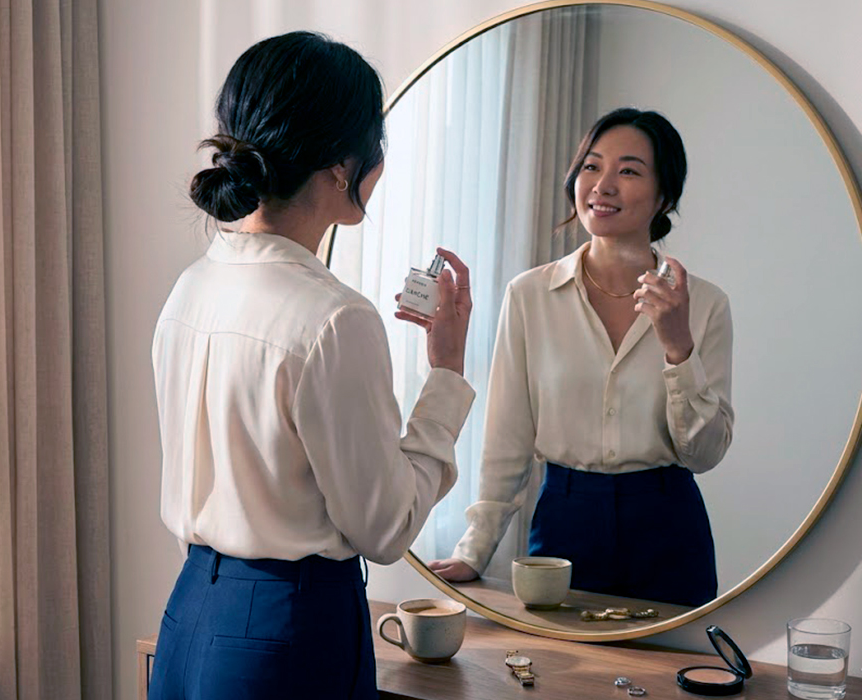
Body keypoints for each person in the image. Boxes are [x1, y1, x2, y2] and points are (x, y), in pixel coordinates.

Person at [148, 32, 475, 700]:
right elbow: (384, 528)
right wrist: (445, 374)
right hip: (287, 631)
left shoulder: (191, 288)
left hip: (189, 615)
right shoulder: (334, 318)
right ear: (338, 166)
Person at [429, 108, 733, 608]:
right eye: (592, 167)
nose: (603, 185)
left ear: (664, 195)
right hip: (565, 519)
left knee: (663, 681)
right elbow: (507, 435)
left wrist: (678, 347)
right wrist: (475, 549)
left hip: (668, 521)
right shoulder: (530, 294)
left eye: (629, 171)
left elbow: (704, 454)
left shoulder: (705, 304)